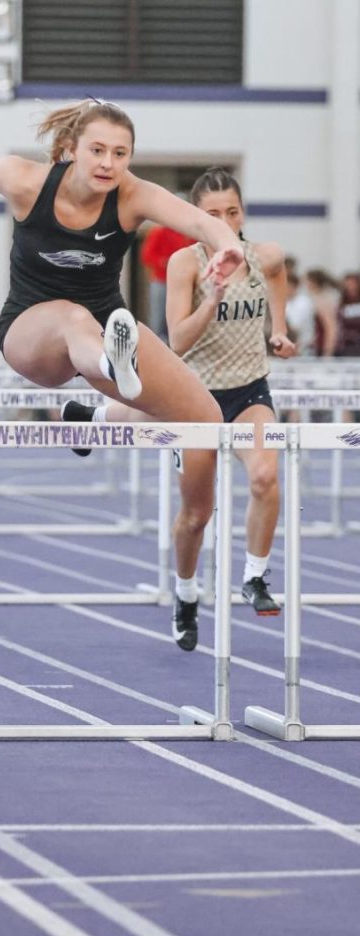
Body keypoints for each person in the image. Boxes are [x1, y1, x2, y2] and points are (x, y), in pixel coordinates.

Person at [0, 98, 245, 651]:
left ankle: (183, 571)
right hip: (33, 335)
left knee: (206, 420)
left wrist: (226, 249)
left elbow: (198, 219)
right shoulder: (29, 182)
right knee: (78, 321)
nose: (108, 163)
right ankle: (109, 365)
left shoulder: (132, 197)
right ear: (71, 150)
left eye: (120, 154)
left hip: (105, 328)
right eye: (97, 150)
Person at [166, 167, 296, 624]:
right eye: (213, 214)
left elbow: (278, 276)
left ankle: (255, 576)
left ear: (243, 214)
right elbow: (177, 341)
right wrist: (212, 297)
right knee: (197, 516)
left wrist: (277, 330)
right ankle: (185, 592)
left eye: (233, 212)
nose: (225, 221)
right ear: (196, 218)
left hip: (249, 392)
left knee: (265, 476)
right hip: (196, 399)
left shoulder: (263, 256)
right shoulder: (185, 263)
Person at [139, 221, 194, 339]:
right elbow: (147, 255)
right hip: (162, 281)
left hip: (184, 283)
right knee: (158, 318)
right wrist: (164, 262)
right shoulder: (160, 232)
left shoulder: (191, 234)